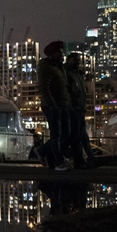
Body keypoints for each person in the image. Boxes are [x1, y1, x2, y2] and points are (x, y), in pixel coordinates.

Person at [37, 41, 71, 170]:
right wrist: (52, 104)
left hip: (63, 104)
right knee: (56, 135)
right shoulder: (45, 67)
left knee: (66, 133)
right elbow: (44, 88)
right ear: (54, 54)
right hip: (53, 105)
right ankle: (57, 162)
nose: (63, 55)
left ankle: (42, 151)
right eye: (60, 52)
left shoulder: (59, 66)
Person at [64, 52, 95, 168]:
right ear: (68, 60)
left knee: (80, 135)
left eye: (78, 60)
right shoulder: (67, 74)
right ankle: (82, 160)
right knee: (78, 136)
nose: (77, 63)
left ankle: (86, 158)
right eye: (75, 60)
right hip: (74, 109)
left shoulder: (78, 74)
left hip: (80, 108)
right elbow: (69, 92)